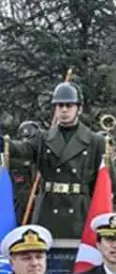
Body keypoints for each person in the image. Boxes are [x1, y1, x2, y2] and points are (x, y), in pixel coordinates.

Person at [5, 82, 107, 238]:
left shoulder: (95, 141)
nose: (64, 110)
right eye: (59, 106)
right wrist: (3, 143)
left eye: (69, 105)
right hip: (49, 210)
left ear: (78, 108)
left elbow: (106, 183)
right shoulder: (43, 138)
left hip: (79, 212)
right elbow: (20, 149)